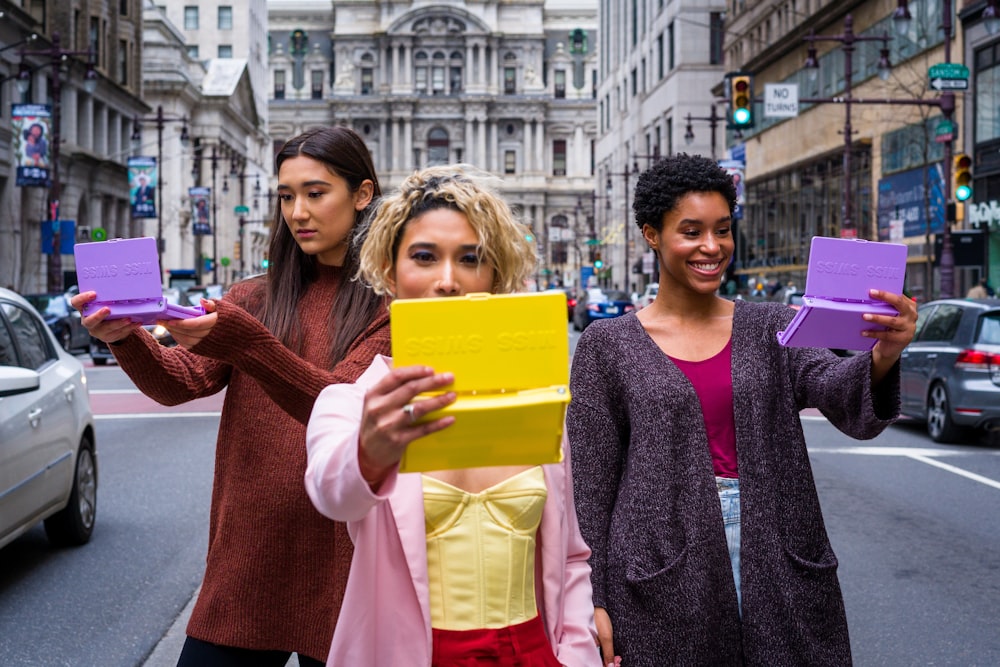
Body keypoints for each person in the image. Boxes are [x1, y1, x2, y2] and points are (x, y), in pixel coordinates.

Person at [566, 153, 917, 666]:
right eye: (691, 231)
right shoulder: (607, 345)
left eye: (723, 230)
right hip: (657, 562)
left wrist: (884, 353)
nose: (712, 247)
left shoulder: (774, 325)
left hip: (778, 549)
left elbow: (843, 396)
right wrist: (592, 597)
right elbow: (591, 485)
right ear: (651, 235)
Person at [70, 126, 392, 666]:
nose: (298, 212)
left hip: (347, 561)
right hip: (248, 560)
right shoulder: (253, 297)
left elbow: (339, 406)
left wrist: (245, 342)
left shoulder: (390, 308)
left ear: (362, 195)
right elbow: (177, 383)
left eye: (316, 193)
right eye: (286, 197)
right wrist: (124, 336)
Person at [304, 165, 601, 666]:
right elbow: (333, 496)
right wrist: (370, 451)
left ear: (494, 274)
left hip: (533, 652)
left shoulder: (532, 397)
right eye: (424, 257)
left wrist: (576, 652)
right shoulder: (353, 402)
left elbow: (570, 555)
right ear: (391, 272)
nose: (447, 281)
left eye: (470, 259)